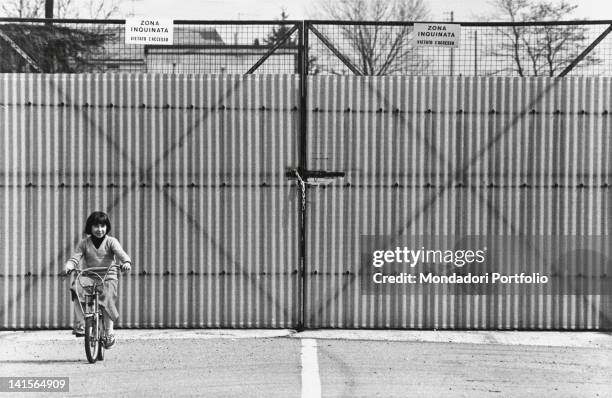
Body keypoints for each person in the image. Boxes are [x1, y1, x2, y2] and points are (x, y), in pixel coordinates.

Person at [63, 211, 132, 348]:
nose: (99, 229)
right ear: (90, 227)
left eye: (103, 226)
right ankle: (82, 323)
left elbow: (122, 254)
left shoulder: (111, 241)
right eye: (96, 226)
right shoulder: (84, 243)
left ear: (107, 227)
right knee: (75, 288)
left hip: (108, 276)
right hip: (90, 276)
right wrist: (69, 265)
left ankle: (109, 332)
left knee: (107, 298)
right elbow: (75, 258)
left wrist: (126, 262)